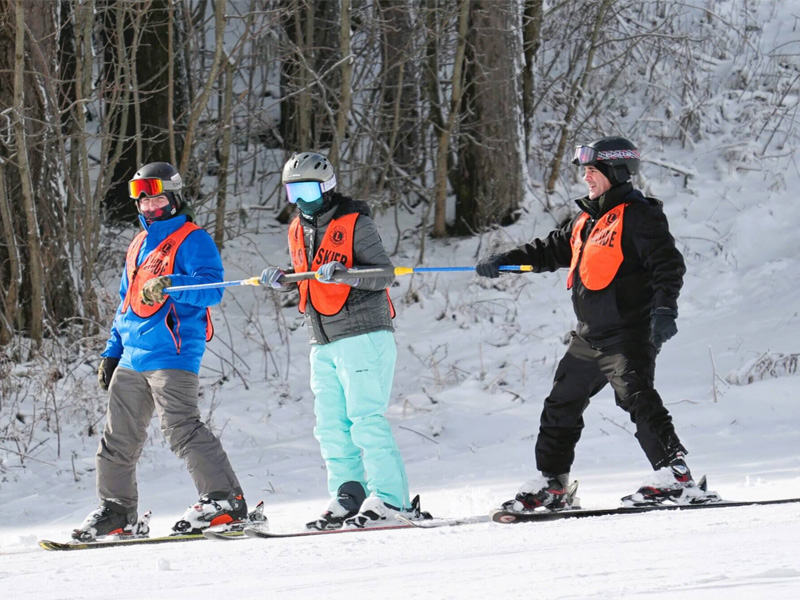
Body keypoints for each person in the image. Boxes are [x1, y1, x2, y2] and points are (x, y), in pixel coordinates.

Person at [476, 136, 719, 510]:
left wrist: (664, 310)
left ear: (616, 171)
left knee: (637, 399)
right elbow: (551, 250)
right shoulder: (585, 219)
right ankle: (553, 484)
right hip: (590, 336)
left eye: (593, 170)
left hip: (629, 332)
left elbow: (668, 265)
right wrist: (504, 261)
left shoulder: (639, 215)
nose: (586, 177)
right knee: (560, 405)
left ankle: (676, 478)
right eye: (585, 170)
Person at [73, 162, 255, 541]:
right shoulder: (138, 244)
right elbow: (126, 303)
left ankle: (224, 500)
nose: (150, 207)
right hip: (132, 355)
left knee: (180, 427)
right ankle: (117, 511)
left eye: (157, 199)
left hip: (172, 353)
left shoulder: (193, 239)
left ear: (173, 198)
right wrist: (112, 351)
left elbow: (213, 289)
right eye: (143, 201)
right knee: (117, 438)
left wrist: (171, 282)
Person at [261, 151, 428, 529]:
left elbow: (383, 274)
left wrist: (346, 273)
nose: (301, 200)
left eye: (307, 191)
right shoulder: (297, 228)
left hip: (362, 333)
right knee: (330, 427)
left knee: (365, 420)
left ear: (327, 187)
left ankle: (391, 499)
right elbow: (307, 275)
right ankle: (348, 494)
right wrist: (283, 278)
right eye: (293, 193)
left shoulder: (355, 222)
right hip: (321, 338)